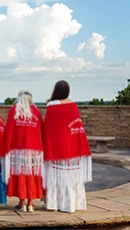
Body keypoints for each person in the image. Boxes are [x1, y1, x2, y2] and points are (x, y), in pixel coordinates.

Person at [44, 80, 92, 213]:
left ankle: (55, 203)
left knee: (58, 175)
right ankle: (74, 204)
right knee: (72, 177)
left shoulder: (52, 106)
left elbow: (48, 127)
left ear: (56, 90)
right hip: (73, 146)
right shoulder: (73, 105)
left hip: (58, 146)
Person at [5, 90, 44, 212]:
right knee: (31, 174)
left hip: (18, 149)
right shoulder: (36, 112)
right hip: (34, 151)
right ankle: (31, 203)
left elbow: (9, 130)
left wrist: (7, 147)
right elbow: (41, 130)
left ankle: (22, 202)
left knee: (20, 174)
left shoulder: (14, 111)